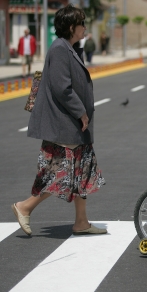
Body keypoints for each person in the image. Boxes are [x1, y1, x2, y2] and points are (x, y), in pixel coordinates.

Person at [11, 4, 106, 237]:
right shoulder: (59, 49)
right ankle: (25, 206)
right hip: (65, 126)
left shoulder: (70, 48)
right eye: (82, 24)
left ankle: (81, 221)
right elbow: (62, 88)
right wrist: (81, 112)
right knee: (61, 173)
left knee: (83, 170)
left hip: (74, 127)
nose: (85, 27)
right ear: (72, 27)